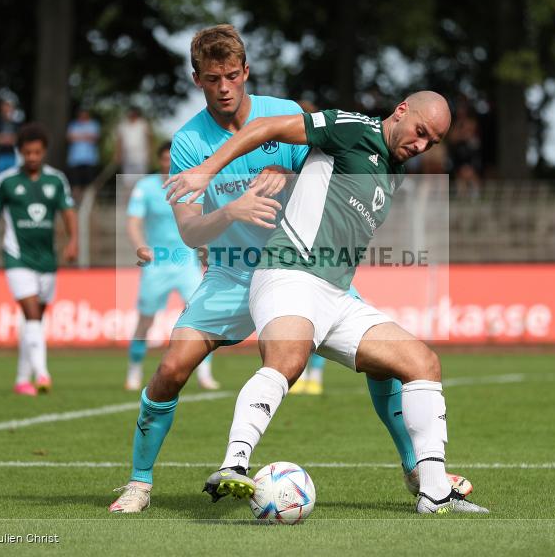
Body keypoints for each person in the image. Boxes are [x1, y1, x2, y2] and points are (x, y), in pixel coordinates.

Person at [109, 25, 427, 514]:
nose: (224, 87)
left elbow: (333, 162)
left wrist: (289, 170)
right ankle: (139, 483)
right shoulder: (188, 143)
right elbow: (191, 232)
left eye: (232, 75)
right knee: (171, 369)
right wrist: (229, 212)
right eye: (213, 78)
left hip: (302, 272)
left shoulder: (282, 113)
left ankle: (416, 472)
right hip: (233, 274)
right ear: (197, 79)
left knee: (385, 362)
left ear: (246, 72)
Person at [166, 91, 489, 515]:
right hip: (289, 273)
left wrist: (286, 170)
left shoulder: (394, 170)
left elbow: (313, 174)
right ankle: (234, 464)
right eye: (421, 133)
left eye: (432, 143)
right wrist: (207, 171)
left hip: (336, 295)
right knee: (288, 359)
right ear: (401, 111)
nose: (422, 146)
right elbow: (267, 128)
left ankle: (433, 492)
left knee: (422, 363)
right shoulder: (353, 127)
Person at [0, 123, 78, 396]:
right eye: (27, 153)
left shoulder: (56, 180)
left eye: (37, 152)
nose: (32, 157)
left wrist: (73, 241)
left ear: (44, 152)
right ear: (20, 152)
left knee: (33, 320)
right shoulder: (6, 181)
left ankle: (22, 379)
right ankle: (43, 373)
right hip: (16, 257)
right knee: (32, 314)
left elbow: (68, 212)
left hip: (47, 260)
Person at [124, 141, 219, 391]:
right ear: (159, 161)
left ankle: (205, 375)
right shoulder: (145, 187)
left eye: (172, 159)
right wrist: (140, 245)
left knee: (202, 317)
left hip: (186, 262)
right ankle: (134, 371)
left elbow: (204, 220)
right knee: (145, 320)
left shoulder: (192, 184)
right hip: (157, 263)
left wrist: (205, 250)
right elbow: (133, 221)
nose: (168, 163)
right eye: (164, 159)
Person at [66, 107, 101, 201]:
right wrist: (86, 136)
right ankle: (76, 205)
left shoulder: (93, 124)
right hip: (75, 160)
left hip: (89, 160)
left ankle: (89, 206)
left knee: (89, 186)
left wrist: (78, 137)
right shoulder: (73, 124)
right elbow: (70, 138)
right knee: (75, 185)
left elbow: (94, 138)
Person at [114, 107, 152, 177]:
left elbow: (149, 139)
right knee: (127, 178)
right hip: (127, 156)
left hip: (141, 156)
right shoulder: (123, 125)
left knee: (141, 176)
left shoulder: (143, 124)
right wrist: (118, 154)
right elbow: (119, 140)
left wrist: (149, 154)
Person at [0, 100, 20, 174]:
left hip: (13, 155)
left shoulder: (15, 123)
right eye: (5, 107)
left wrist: (3, 138)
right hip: (0, 155)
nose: (7, 109)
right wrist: (7, 139)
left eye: (8, 107)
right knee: (0, 176)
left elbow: (17, 138)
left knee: (13, 175)